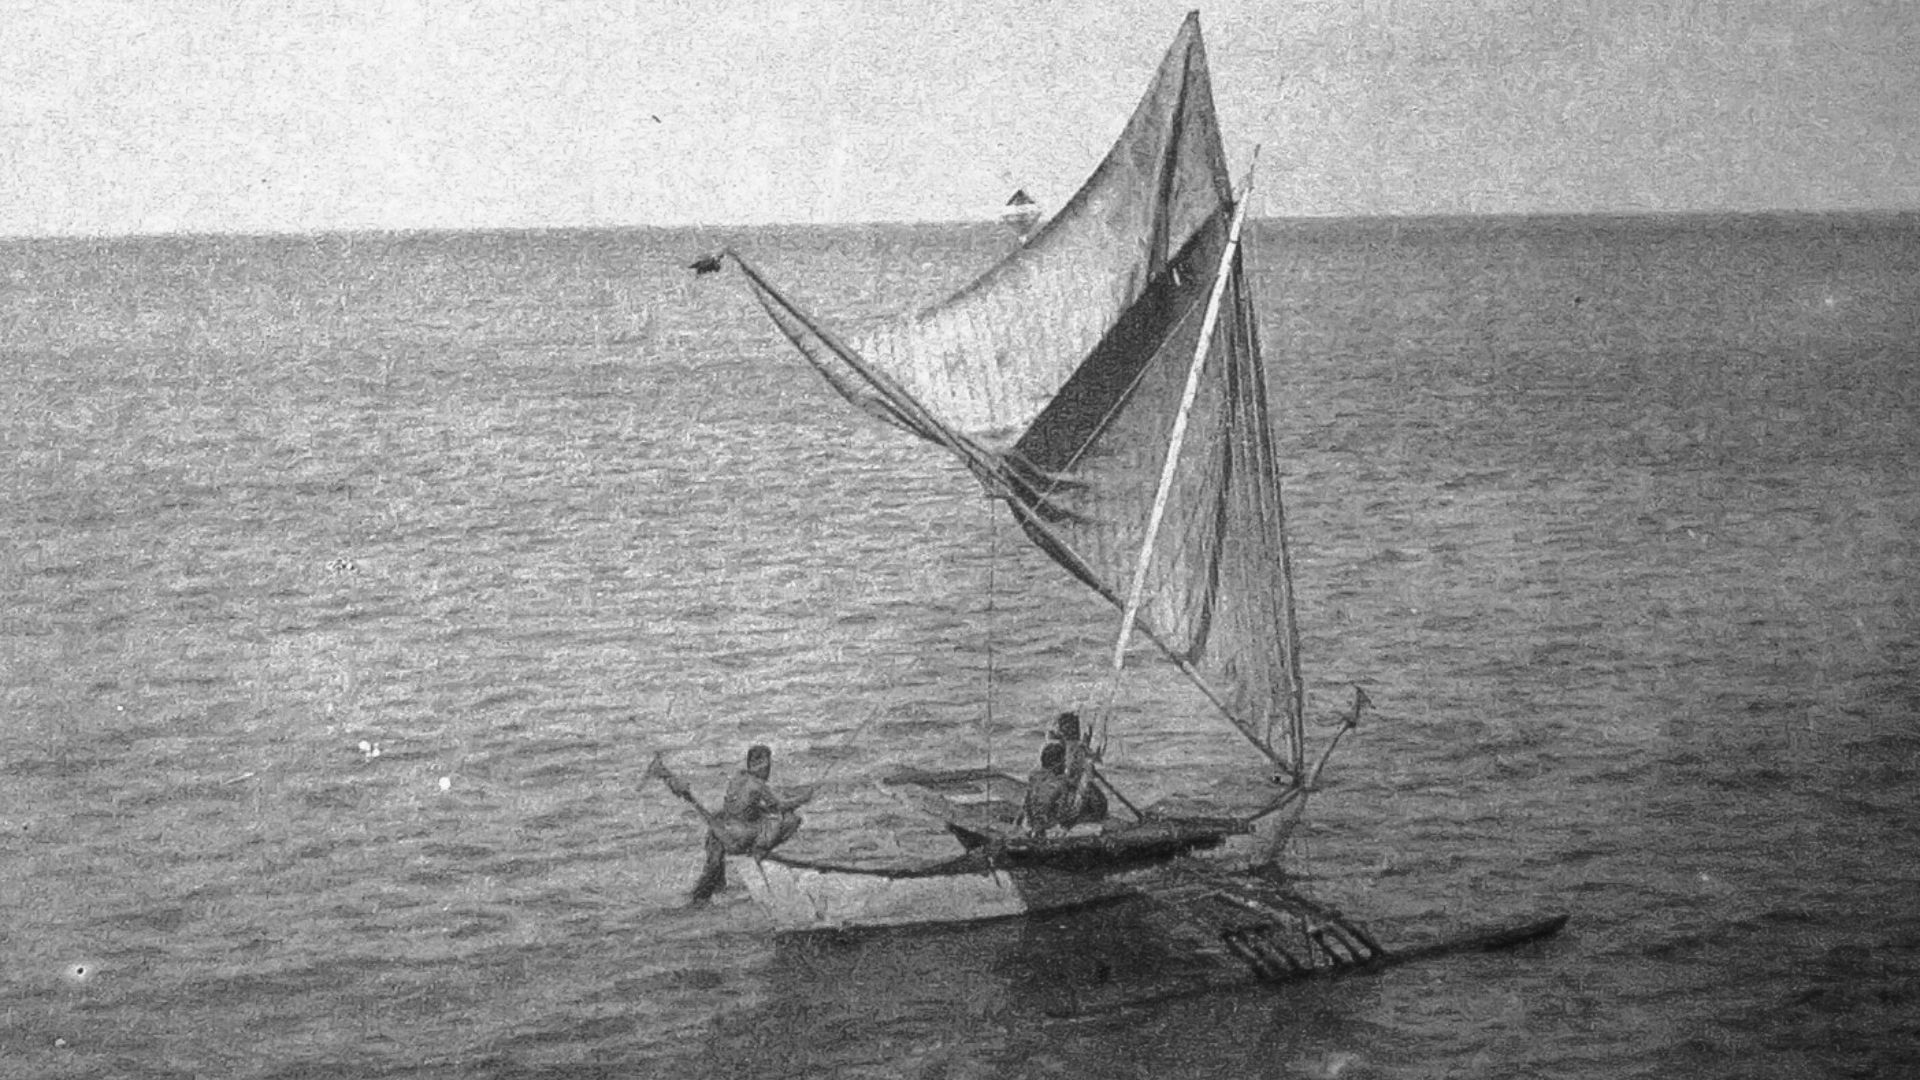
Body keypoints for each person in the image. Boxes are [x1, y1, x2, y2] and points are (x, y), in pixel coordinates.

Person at [689, 744, 814, 902]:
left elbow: (741, 806)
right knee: (791, 819)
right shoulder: (757, 784)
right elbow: (779, 806)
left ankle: (713, 891)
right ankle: (759, 851)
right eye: (767, 766)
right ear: (759, 765)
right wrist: (804, 798)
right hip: (739, 834)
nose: (769, 771)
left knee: (714, 874)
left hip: (721, 830)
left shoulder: (739, 777)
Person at [1023, 741, 1071, 836]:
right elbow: (1061, 811)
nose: (1065, 764)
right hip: (1048, 827)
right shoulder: (1061, 782)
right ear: (1055, 763)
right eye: (1063, 761)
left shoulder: (1034, 776)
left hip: (1030, 824)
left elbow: (1026, 804)